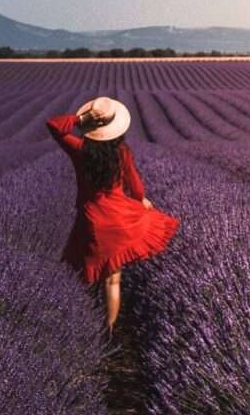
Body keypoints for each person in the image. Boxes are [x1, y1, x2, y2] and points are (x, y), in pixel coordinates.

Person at [46, 96, 180, 337]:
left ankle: (79, 321)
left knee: (82, 272)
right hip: (120, 218)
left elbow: (54, 126)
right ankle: (108, 330)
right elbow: (136, 187)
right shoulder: (121, 152)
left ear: (91, 127)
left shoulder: (79, 150)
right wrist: (142, 201)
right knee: (112, 281)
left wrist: (79, 119)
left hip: (92, 220)